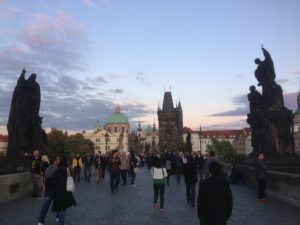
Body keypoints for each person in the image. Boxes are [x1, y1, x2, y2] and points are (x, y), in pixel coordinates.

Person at [52, 155, 77, 225]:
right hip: (66, 192)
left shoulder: (57, 170)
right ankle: (61, 223)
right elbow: (72, 179)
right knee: (63, 208)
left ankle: (59, 221)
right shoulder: (68, 170)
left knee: (59, 208)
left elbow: (53, 182)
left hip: (57, 192)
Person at [38, 155, 60, 225]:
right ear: (55, 161)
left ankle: (40, 221)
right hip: (55, 190)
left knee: (45, 207)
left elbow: (45, 179)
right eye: (58, 159)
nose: (59, 161)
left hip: (48, 190)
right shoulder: (57, 169)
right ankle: (58, 218)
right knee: (59, 205)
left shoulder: (47, 168)